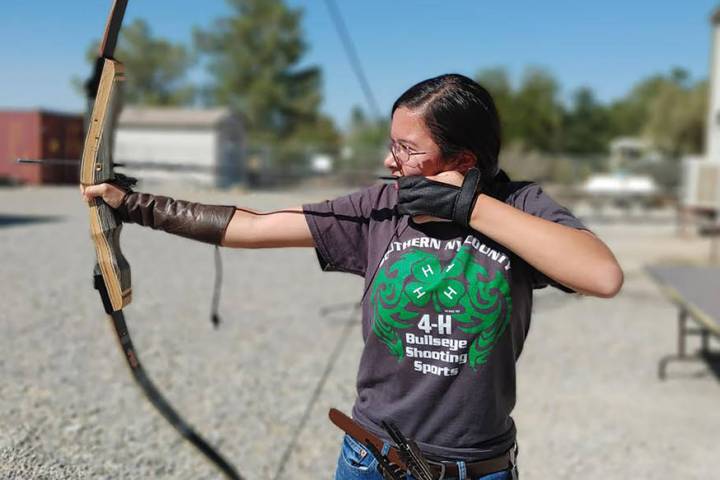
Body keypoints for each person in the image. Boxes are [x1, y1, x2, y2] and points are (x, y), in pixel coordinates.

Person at [82, 73, 623, 480]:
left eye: (408, 150)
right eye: (392, 144)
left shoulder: (519, 205)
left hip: (474, 468)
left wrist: (471, 207)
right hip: (371, 459)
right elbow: (255, 227)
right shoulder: (381, 207)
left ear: (461, 159)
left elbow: (602, 275)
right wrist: (134, 204)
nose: (391, 162)